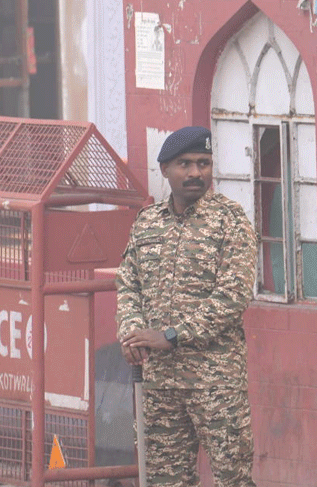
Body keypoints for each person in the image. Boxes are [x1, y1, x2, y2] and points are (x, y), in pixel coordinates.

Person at [116, 126, 258, 487]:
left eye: (204, 163)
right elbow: (128, 283)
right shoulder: (147, 223)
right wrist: (132, 334)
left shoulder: (230, 221)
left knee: (233, 478)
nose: (196, 172)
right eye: (185, 164)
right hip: (158, 382)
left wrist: (172, 335)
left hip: (215, 382)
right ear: (165, 169)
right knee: (163, 479)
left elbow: (234, 294)